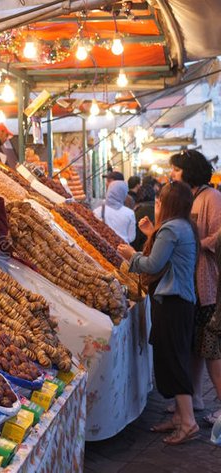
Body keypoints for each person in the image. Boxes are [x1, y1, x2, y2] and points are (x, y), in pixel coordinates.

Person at [118, 181, 199, 445]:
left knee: (174, 360)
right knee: (174, 357)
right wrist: (152, 232)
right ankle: (178, 416)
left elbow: (153, 263)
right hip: (180, 302)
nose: (157, 203)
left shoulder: (173, 228)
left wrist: (131, 255)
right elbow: (168, 257)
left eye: (160, 199)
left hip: (173, 304)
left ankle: (188, 422)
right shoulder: (183, 226)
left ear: (168, 203)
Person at [170, 150, 221, 423]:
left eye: (176, 170)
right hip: (192, 285)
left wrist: (196, 245)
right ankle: (195, 397)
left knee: (212, 350)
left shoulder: (212, 198)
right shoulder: (192, 197)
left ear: (188, 171)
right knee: (195, 345)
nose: (172, 174)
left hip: (208, 284)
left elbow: (219, 235)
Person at [131, 184, 156, 251]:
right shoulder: (158, 210)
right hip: (156, 249)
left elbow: (134, 237)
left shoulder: (137, 212)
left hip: (140, 251)